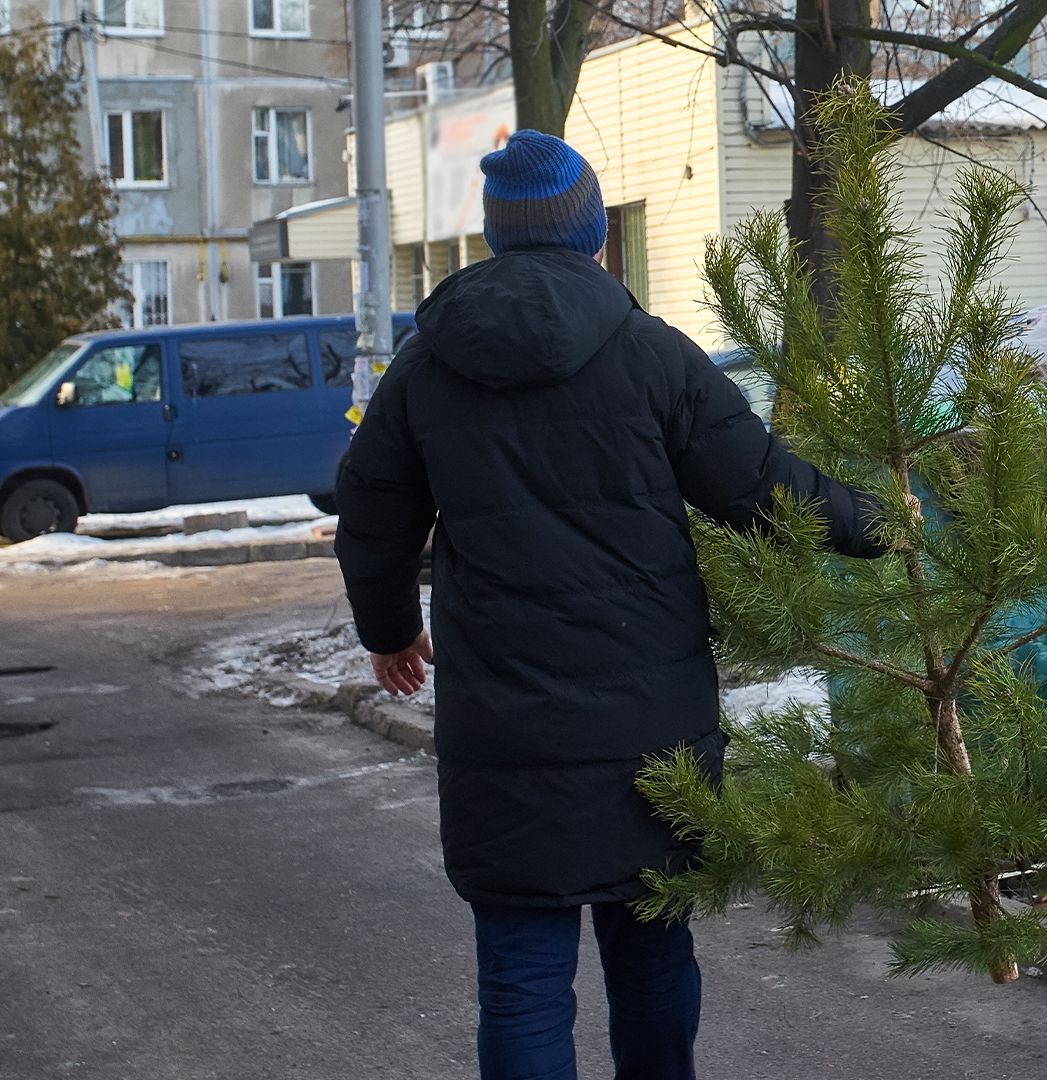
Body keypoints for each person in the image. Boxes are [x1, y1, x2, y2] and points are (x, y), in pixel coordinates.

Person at [333, 130, 886, 1080]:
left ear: (498, 238)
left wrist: (389, 632)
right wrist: (879, 525)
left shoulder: (426, 369)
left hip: (503, 725)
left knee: (520, 978)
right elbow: (759, 487)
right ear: (594, 234)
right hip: (649, 720)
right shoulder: (651, 354)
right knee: (653, 953)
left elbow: (371, 515)